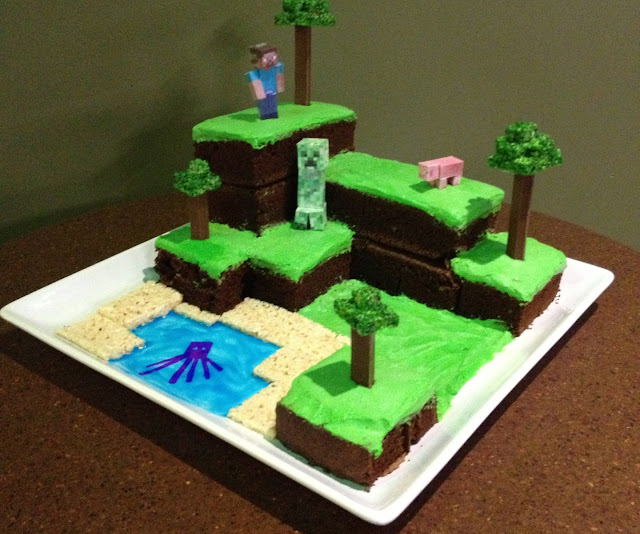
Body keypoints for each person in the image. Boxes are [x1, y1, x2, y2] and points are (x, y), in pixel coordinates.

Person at [245, 43, 284, 120]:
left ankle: (273, 114)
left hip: (272, 90)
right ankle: (265, 115)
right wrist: (258, 92)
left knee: (273, 104)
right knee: (264, 105)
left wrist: (280, 85)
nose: (270, 61)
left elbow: (279, 74)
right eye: (266, 59)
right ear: (256, 61)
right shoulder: (257, 72)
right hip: (263, 91)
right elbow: (253, 78)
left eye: (273, 57)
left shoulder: (275, 67)